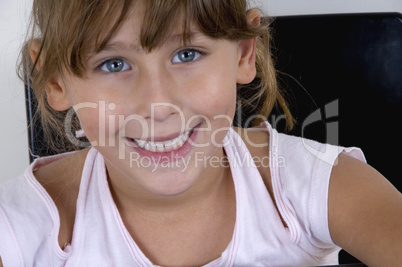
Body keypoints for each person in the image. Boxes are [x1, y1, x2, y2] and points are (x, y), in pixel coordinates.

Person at [0, 0, 401, 266]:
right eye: (113, 64)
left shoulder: (309, 185)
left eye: (186, 54)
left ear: (244, 54)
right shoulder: (23, 225)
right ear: (54, 79)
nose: (158, 106)